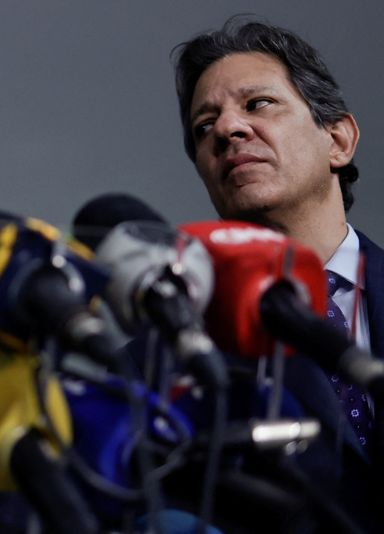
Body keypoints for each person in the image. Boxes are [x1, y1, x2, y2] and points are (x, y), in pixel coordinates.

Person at [171, 16, 384, 531]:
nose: (226, 129)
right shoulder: (170, 350)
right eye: (205, 127)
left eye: (257, 104)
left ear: (338, 140)